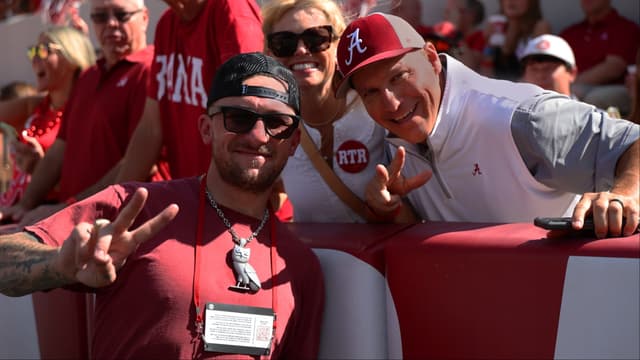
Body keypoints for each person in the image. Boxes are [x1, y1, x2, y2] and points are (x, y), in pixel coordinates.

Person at [0, 52, 324, 358]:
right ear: (206, 128)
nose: (257, 135)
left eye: (277, 122)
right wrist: (58, 263)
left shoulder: (298, 268)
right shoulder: (135, 209)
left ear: (293, 141)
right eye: (238, 117)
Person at [335, 12, 640, 238]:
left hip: (568, 309)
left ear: (431, 58)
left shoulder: (519, 118)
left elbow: (634, 142)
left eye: (398, 77)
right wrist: (393, 209)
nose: (391, 103)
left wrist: (624, 193)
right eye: (370, 92)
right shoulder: (391, 143)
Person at [0, 0, 163, 225]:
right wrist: (24, 205)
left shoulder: (151, 70)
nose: (111, 24)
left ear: (144, 17)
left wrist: (71, 208)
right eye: (100, 17)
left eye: (121, 15)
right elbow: (60, 149)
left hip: (118, 224)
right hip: (74, 221)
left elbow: (137, 163)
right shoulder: (90, 77)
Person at [262, 0, 411, 223]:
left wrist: (388, 207)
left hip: (382, 255)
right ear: (270, 53)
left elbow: (423, 209)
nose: (301, 50)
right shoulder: (271, 126)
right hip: (313, 257)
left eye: (316, 38)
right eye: (284, 42)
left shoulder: (378, 107)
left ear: (338, 45)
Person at [115, 0, 263, 183]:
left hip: (235, 201)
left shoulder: (232, 10)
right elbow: (150, 128)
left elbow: (251, 114)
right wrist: (117, 204)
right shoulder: (167, 24)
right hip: (196, 199)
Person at [0, 26, 95, 207]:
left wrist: (42, 170)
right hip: (15, 209)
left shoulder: (91, 111)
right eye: (33, 51)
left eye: (44, 50)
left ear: (71, 56)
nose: (35, 59)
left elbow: (94, 180)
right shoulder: (35, 106)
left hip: (53, 213)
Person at [560, 0, 640, 116]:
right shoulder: (571, 32)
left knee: (591, 98)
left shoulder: (625, 28)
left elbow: (614, 67)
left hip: (613, 88)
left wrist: (568, 85)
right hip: (575, 88)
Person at [484, 0, 551, 80]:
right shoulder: (496, 27)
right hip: (499, 87)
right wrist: (488, 45)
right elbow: (486, 74)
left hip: (526, 89)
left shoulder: (540, 27)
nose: (511, 1)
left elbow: (538, 72)